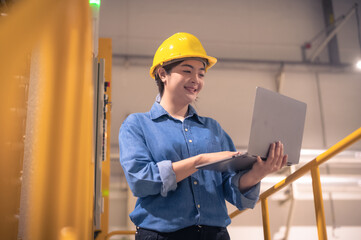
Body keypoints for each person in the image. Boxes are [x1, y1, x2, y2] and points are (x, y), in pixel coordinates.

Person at [118, 32, 288, 240]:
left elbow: (230, 188)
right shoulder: (137, 125)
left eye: (201, 74)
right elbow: (141, 180)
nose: (195, 80)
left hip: (214, 235)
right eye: (187, 71)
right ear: (163, 74)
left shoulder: (212, 129)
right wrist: (201, 161)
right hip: (161, 236)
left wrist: (258, 173)